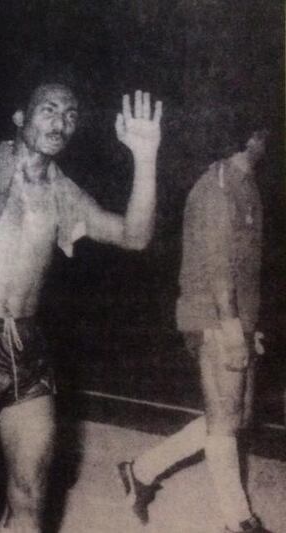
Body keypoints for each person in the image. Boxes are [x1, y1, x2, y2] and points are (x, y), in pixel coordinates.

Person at [0, 80, 163, 532]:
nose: (61, 121)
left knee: (30, 500)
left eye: (70, 114)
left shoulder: (63, 193)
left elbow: (136, 236)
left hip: (26, 348)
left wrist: (145, 157)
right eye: (48, 109)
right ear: (20, 118)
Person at [118, 128, 271, 533]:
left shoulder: (245, 183)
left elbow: (244, 270)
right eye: (267, 133)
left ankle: (141, 471)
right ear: (251, 135)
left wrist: (250, 325)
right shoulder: (219, 185)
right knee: (225, 420)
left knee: (234, 417)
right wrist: (232, 326)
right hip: (214, 316)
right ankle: (238, 520)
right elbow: (219, 266)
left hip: (234, 316)